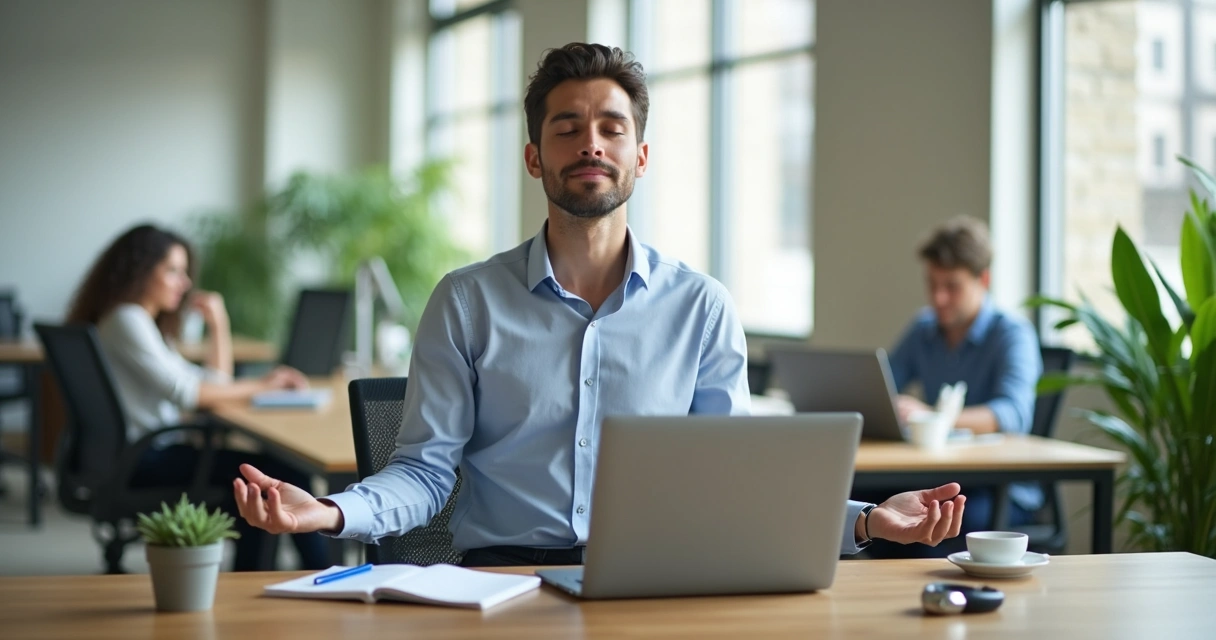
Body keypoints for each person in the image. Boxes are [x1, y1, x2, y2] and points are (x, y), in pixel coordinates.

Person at [232, 43, 967, 566]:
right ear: (534, 158)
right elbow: (426, 475)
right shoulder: (466, 302)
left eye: (612, 128)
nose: (592, 144)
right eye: (567, 127)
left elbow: (733, 490)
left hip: (656, 583)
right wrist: (331, 511)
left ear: (639, 157)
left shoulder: (702, 308)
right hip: (505, 581)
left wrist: (868, 522)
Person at [66, 224, 328, 571]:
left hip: (143, 453)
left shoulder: (141, 322)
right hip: (146, 458)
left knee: (272, 473)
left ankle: (275, 572)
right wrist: (264, 385)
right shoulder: (127, 319)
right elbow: (189, 394)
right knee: (280, 476)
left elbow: (211, 383)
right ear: (140, 270)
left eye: (185, 272)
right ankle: (325, 573)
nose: (185, 282)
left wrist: (219, 325)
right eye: (173, 270)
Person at [867, 216, 1042, 557]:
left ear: (983, 280)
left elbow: (1012, 414)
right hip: (933, 479)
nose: (939, 297)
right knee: (854, 507)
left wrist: (931, 414)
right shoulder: (923, 328)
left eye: (952, 286)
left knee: (917, 539)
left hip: (996, 492)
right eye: (932, 284)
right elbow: (882, 385)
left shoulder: (1012, 334)